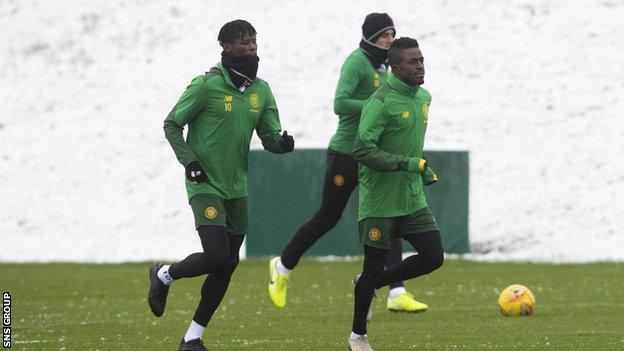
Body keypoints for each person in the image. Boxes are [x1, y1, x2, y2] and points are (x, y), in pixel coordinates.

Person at [148, 20, 294, 351]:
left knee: (228, 263)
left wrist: (281, 143)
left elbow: (269, 136)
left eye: (254, 40)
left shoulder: (262, 91)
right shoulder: (205, 86)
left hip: (237, 188)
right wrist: (191, 162)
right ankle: (163, 275)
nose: (251, 45)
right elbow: (172, 124)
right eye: (244, 41)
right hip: (205, 184)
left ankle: (192, 338)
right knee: (216, 255)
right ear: (225, 47)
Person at [268, 13, 428, 316]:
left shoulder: (388, 66)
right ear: (370, 37)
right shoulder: (356, 63)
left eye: (392, 34)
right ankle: (282, 265)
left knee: (390, 216)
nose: (390, 40)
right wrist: (376, 103)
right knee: (328, 216)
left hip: (376, 154)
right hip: (347, 153)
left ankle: (396, 291)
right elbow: (339, 103)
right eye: (384, 35)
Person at [347, 37, 444, 351]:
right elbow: (362, 150)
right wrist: (406, 163)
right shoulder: (381, 101)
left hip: (412, 199)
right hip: (380, 202)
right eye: (413, 62)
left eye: (422, 60)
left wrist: (422, 167)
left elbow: (409, 145)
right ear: (396, 66)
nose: (420, 66)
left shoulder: (424, 98)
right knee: (373, 266)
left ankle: (369, 285)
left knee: (433, 257)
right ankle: (358, 337)